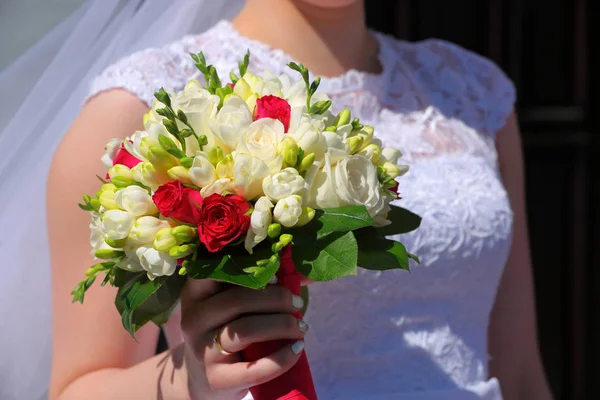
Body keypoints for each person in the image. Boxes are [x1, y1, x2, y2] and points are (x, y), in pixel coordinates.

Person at [3, 0, 553, 399]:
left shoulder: (474, 94)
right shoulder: (143, 105)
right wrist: (189, 379)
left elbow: (521, 371)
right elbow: (79, 387)